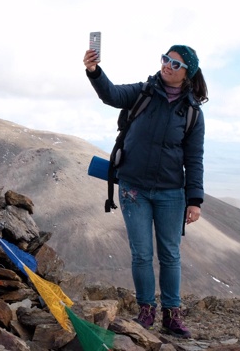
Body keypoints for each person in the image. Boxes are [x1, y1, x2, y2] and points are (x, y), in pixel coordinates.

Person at [83, 45, 207, 338]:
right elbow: (111, 94)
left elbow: (194, 158)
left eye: (175, 64)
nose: (167, 66)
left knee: (170, 255)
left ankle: (172, 314)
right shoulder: (143, 93)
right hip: (133, 189)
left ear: (187, 73)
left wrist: (195, 200)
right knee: (141, 253)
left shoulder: (192, 113)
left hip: (171, 193)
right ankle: (146, 310)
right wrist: (94, 71)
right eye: (166, 59)